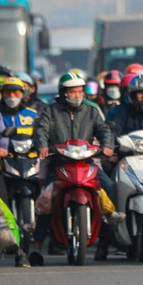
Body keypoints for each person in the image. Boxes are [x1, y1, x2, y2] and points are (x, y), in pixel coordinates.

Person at [32, 71, 116, 266]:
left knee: (108, 187)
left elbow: (103, 130)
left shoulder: (91, 111)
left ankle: (105, 239)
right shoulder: (50, 111)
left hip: (86, 163)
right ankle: (36, 247)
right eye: (72, 92)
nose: (76, 95)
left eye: (79, 92)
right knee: (46, 200)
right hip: (59, 163)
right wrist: (43, 145)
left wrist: (107, 145)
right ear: (63, 93)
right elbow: (41, 130)